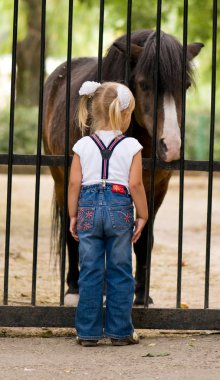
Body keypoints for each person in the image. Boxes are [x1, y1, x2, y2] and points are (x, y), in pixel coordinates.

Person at [68, 81, 148, 347]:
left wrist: (73, 215)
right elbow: (135, 185)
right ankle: (120, 332)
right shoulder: (132, 146)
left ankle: (88, 333)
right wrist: (143, 215)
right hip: (119, 210)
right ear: (125, 115)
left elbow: (73, 185)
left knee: (89, 271)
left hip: (88, 209)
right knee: (121, 271)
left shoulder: (82, 145)